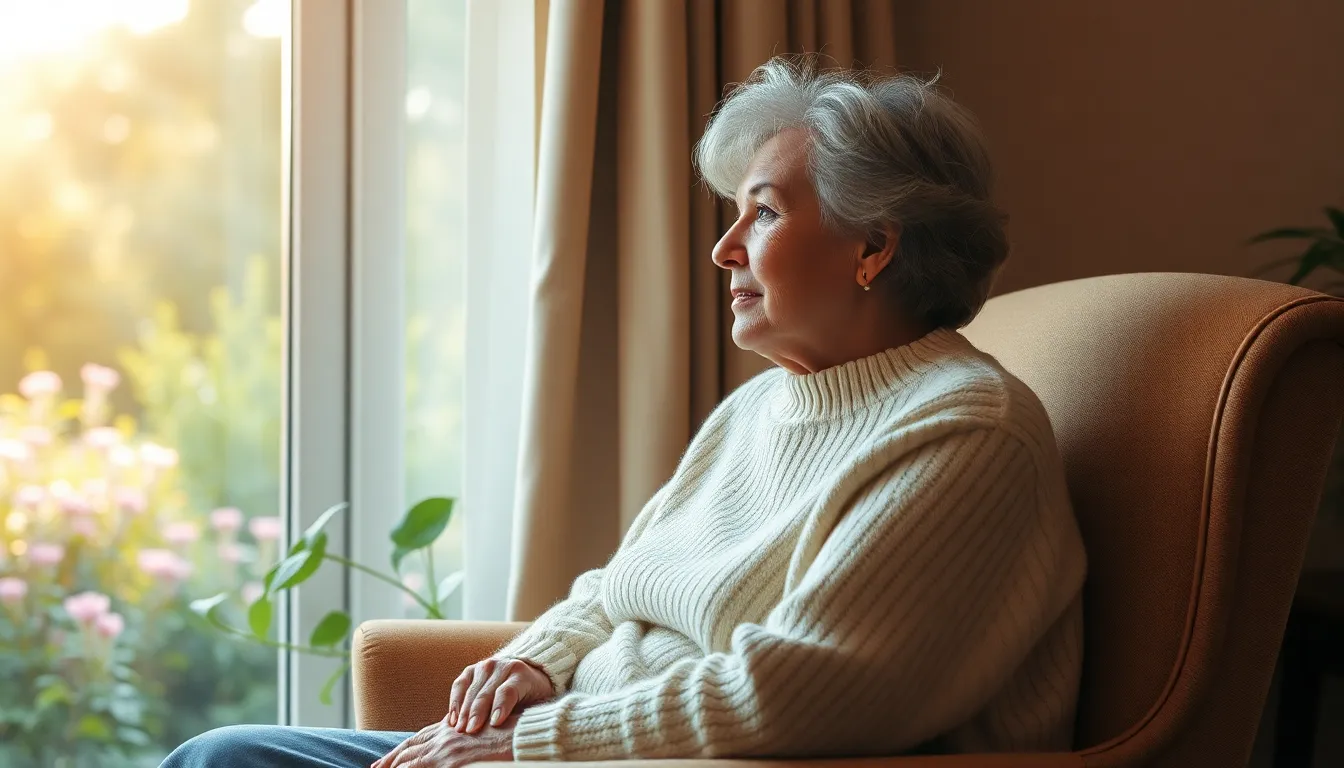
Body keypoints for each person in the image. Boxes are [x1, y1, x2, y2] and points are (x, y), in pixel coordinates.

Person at [162, 56, 1086, 768]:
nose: (724, 250)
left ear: (874, 247)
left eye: (761, 214)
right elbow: (620, 585)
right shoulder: (762, 406)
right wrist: (539, 662)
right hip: (587, 749)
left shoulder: (967, 434)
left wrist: (526, 742)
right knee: (226, 756)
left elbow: (803, 691)